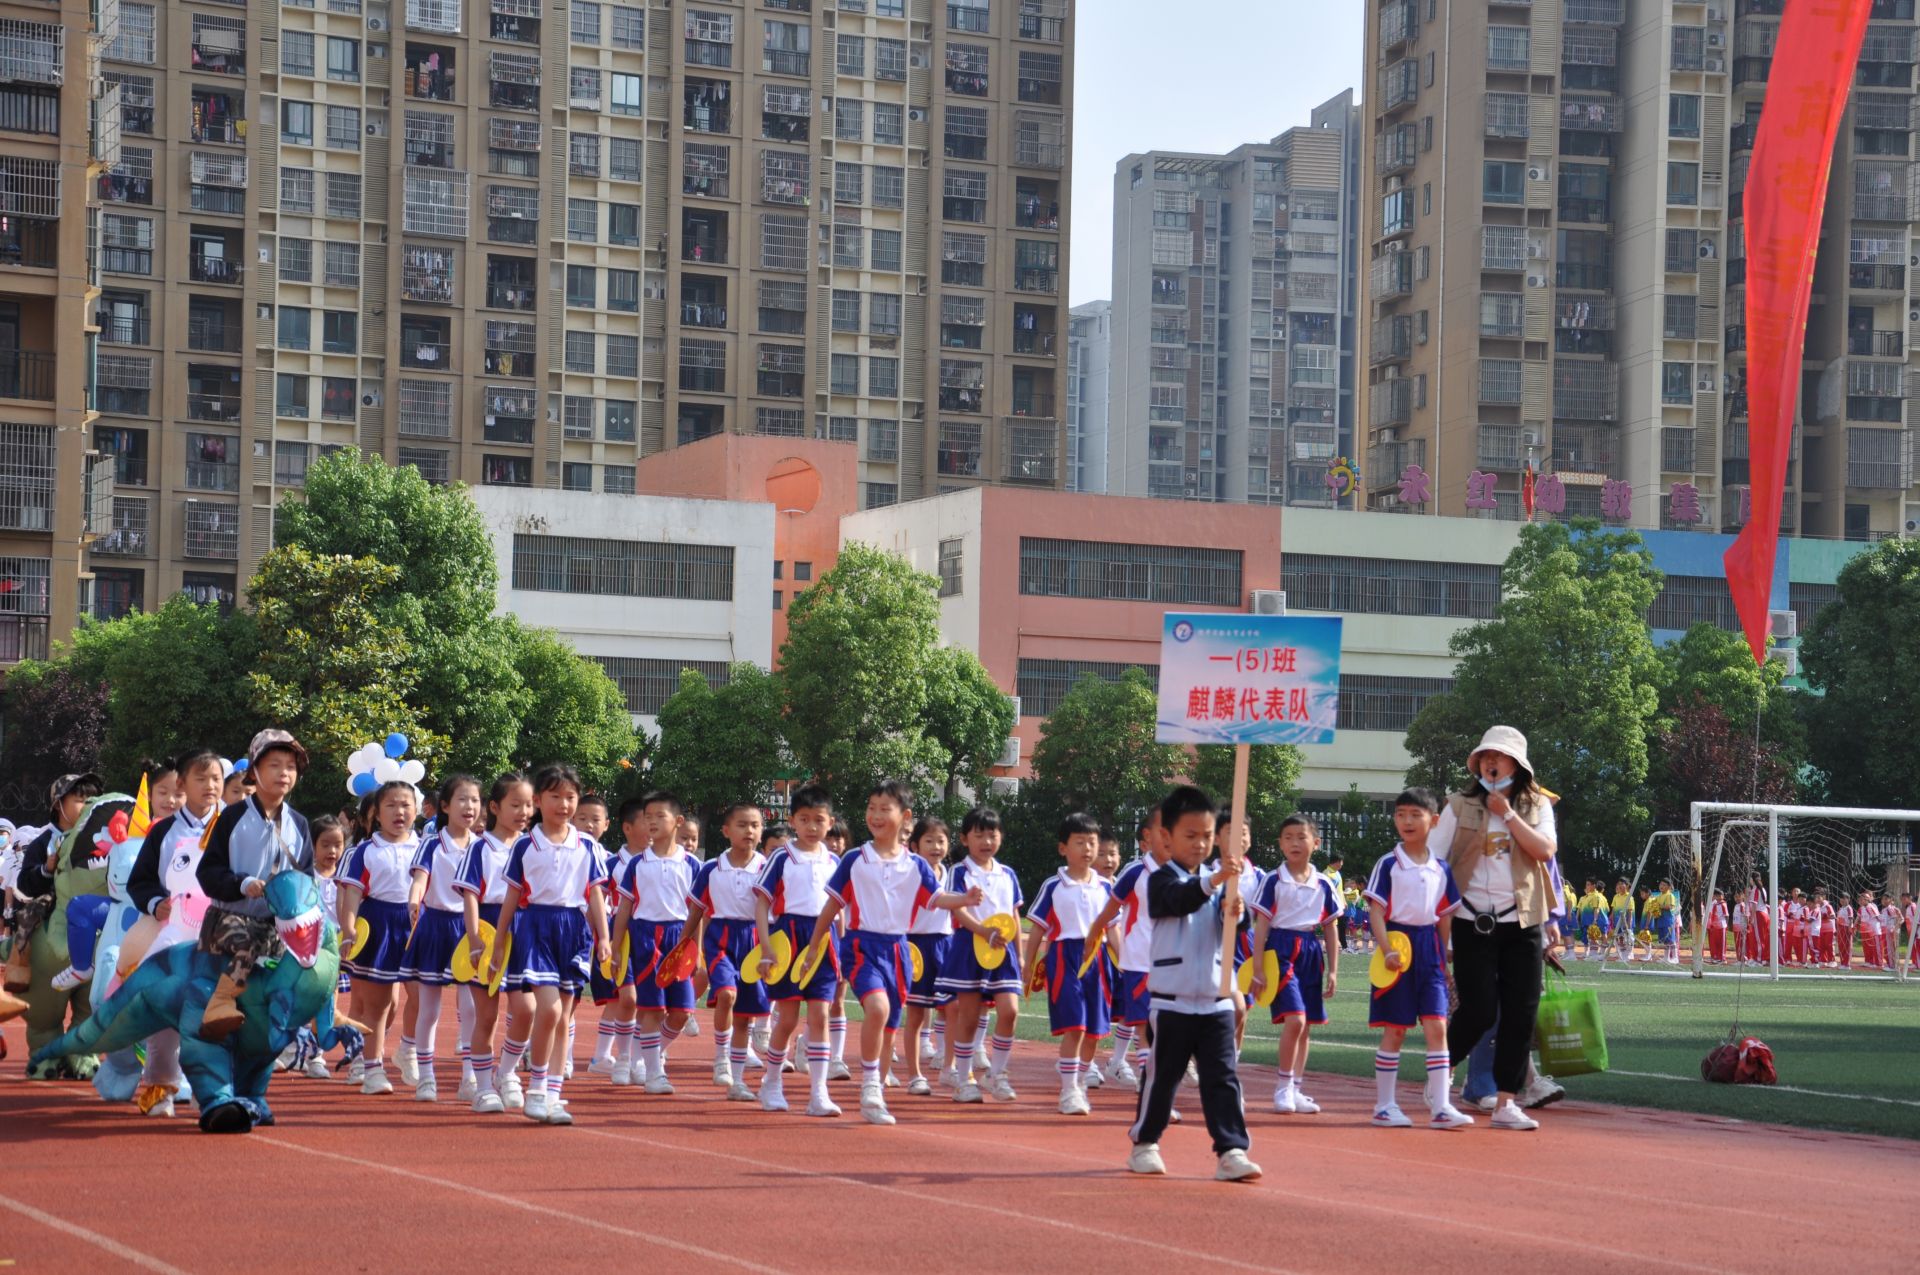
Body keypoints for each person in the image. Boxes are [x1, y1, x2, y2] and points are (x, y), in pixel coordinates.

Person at [807, 780, 981, 1126]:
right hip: (860, 945)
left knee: (889, 1026)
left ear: (905, 817)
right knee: (877, 1007)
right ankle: (870, 1084)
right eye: (871, 807)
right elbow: (831, 906)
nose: (875, 815)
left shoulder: (915, 865)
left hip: (899, 950)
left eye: (884, 808)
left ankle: (876, 1095)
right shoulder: (855, 859)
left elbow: (936, 900)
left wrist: (965, 899)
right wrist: (814, 946)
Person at [1125, 785, 1260, 1183]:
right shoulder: (1160, 880)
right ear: (1166, 837)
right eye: (1191, 836)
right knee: (1162, 1077)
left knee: (1223, 1077)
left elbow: (1234, 926)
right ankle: (1145, 1142)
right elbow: (1181, 899)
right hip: (1172, 1001)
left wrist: (1237, 911)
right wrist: (1215, 882)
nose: (1200, 844)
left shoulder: (1221, 882)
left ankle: (1232, 1149)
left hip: (1215, 1000)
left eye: (1207, 836)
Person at [1429, 727, 1558, 1132]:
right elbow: (1434, 860)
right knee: (1479, 1008)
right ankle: (1440, 1077)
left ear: (1517, 765)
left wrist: (1508, 814)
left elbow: (1545, 850)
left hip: (1522, 919)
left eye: (1499, 757)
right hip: (1471, 919)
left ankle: (1506, 1102)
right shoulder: (1459, 803)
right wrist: (1437, 926)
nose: (1491, 762)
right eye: (1485, 756)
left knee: (1522, 1012)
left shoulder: (1536, 804)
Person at [484, 764, 612, 1125]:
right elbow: (512, 894)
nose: (564, 804)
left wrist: (603, 937)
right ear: (539, 801)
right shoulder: (526, 844)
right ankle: (536, 1088)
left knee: (564, 1016)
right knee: (549, 1010)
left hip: (573, 929)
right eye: (555, 796)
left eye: (570, 796)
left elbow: (595, 894)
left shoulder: (586, 845)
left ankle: (553, 1094)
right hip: (535, 926)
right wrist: (499, 940)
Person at [195, 730, 313, 1040]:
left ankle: (309, 1028)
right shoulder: (231, 817)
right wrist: (241, 884)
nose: (284, 773)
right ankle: (220, 1002)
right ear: (255, 772)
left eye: (290, 766)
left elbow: (307, 879)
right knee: (247, 939)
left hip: (276, 926)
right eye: (274, 764)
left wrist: (295, 902)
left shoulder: (299, 824)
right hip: (228, 920)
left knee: (317, 955)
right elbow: (207, 872)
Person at [1364, 788, 1470, 1130]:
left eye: (1415, 814)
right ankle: (1384, 1105)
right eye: (1401, 814)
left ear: (1434, 821)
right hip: (1397, 945)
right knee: (1395, 1029)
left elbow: (1444, 918)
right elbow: (1376, 911)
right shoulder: (1388, 864)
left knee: (1438, 1025)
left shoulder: (1441, 868)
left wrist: (1442, 960)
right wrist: (1385, 949)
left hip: (1429, 952)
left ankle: (1441, 1107)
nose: (1407, 821)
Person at [1020, 812, 1118, 1117]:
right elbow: (1036, 927)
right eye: (1080, 842)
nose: (1088, 849)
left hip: (1098, 960)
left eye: (1092, 843)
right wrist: (1028, 964)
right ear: (1064, 848)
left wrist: (1125, 962)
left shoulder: (1104, 888)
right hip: (1065, 957)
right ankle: (1069, 1089)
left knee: (1094, 1031)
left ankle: (1080, 1081)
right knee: (1074, 1025)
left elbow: (1112, 928)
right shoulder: (1054, 885)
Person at [753, 785, 843, 1115]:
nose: (811, 826)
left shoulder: (835, 861)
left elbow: (839, 909)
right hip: (789, 937)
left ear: (829, 822)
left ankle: (818, 1093)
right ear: (793, 821)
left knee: (820, 1014)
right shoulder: (782, 856)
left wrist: (841, 949)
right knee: (788, 1018)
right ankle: (772, 1082)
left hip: (824, 940)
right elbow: (762, 903)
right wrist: (766, 947)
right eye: (803, 819)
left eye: (818, 820)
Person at [1247, 814, 1339, 1115]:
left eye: (1301, 836)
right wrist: (1258, 966)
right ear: (1280, 844)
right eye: (1288, 837)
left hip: (1311, 952)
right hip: (1282, 951)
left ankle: (1297, 1088)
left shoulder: (1323, 883)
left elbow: (1329, 927)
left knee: (1307, 1025)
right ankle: (1283, 1087)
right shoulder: (1273, 880)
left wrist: (1334, 969)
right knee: (1295, 1020)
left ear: (1316, 842)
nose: (1295, 843)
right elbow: (1261, 924)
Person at [607, 792, 698, 1095]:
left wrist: (696, 949)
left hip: (680, 938)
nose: (653, 822)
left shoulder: (692, 865)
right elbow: (624, 909)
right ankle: (654, 1073)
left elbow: (699, 912)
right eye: (648, 817)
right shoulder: (637, 865)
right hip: (646, 938)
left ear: (678, 822)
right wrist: (616, 947)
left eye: (660, 816)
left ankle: (647, 1055)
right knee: (652, 1010)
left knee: (682, 1011)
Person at [336, 780, 422, 1096]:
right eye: (391, 805)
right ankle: (372, 1068)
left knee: (421, 996)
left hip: (415, 927)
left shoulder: (425, 847)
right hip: (378, 925)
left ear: (416, 810)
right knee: (380, 1003)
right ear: (377, 813)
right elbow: (352, 896)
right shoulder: (365, 852)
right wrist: (349, 929)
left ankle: (409, 1048)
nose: (399, 812)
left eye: (405, 805)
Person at [455, 772, 534, 1113]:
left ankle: (508, 1073)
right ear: (494, 807)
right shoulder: (479, 848)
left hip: (524, 931)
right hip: (487, 929)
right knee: (485, 1016)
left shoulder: (534, 846)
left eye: (529, 805)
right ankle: (484, 1087)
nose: (523, 811)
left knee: (527, 1010)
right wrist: (475, 939)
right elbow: (470, 897)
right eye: (515, 804)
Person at [402, 775, 483, 1103]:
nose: (469, 807)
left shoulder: (482, 846)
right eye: (462, 800)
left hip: (470, 930)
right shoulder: (432, 844)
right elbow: (420, 878)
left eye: (475, 800)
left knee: (471, 1005)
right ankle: (427, 1077)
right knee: (429, 1007)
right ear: (446, 806)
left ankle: (469, 1076)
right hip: (435, 926)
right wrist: (414, 898)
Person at [937, 805, 1026, 1104]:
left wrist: (1021, 955)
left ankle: (997, 1074)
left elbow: (1014, 915)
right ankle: (964, 1080)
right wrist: (982, 931)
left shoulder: (1008, 873)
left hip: (1003, 953)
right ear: (965, 839)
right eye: (980, 835)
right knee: (970, 1016)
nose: (987, 841)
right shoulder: (959, 871)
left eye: (993, 835)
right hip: (969, 948)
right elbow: (956, 908)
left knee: (1010, 1011)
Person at [688, 803, 768, 1100]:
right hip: (720, 936)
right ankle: (720, 1057)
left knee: (745, 1016)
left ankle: (737, 1082)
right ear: (726, 831)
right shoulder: (711, 867)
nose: (749, 831)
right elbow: (697, 909)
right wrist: (686, 945)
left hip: (754, 940)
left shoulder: (767, 867)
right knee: (726, 994)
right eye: (742, 825)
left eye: (755, 825)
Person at [1088, 812, 1164, 1090]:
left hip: (1166, 964)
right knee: (1104, 1012)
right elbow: (1109, 921)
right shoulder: (1133, 875)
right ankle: (1087, 1064)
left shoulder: (1184, 872)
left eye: (1113, 854)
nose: (1109, 860)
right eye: (1102, 854)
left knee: (1136, 1018)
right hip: (1126, 960)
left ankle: (1119, 1061)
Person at [901, 816, 954, 1096]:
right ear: (914, 846)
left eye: (941, 840)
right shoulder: (912, 873)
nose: (936, 846)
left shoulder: (951, 873)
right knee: (916, 1014)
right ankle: (914, 1074)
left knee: (952, 1008)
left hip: (945, 945)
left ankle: (949, 1067)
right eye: (929, 841)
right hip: (916, 946)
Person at [1706, 889, 1729, 965]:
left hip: (1722, 926)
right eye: (1717, 895)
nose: (1719, 897)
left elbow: (1726, 915)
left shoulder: (1723, 904)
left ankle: (1722, 958)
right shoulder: (1715, 905)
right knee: (1716, 942)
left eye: (1720, 895)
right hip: (1715, 926)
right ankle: (1717, 957)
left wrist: (1726, 925)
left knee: (1722, 942)